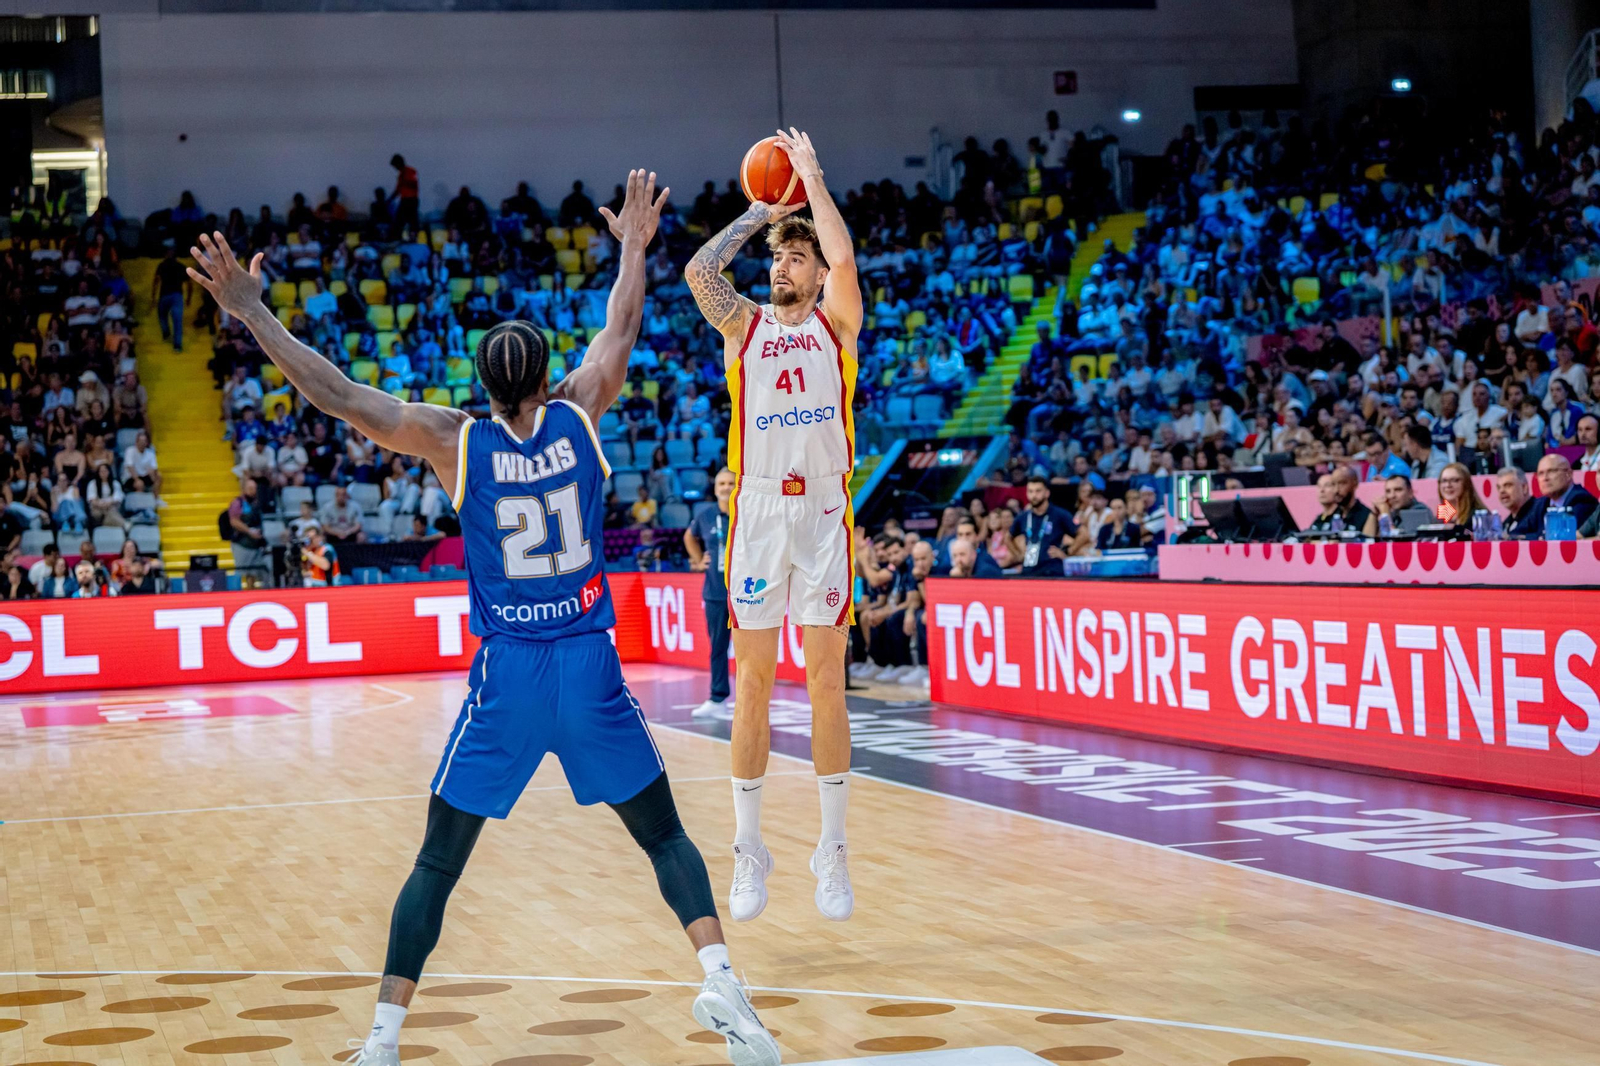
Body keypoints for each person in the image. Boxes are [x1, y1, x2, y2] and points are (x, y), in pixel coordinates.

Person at [185, 174, 778, 1066]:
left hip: (508, 679)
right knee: (662, 836)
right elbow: (619, 328)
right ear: (550, 374)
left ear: (485, 386)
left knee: (436, 865)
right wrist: (631, 246)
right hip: (589, 668)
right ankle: (724, 981)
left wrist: (251, 314)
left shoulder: (452, 439)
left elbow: (340, 395)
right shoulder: (582, 415)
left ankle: (383, 1041)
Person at [685, 128, 862, 925]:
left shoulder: (836, 325)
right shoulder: (744, 328)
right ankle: (749, 846)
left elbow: (847, 262)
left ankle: (832, 848)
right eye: (777, 259)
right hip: (756, 509)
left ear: (818, 273)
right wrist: (761, 214)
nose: (782, 265)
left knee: (826, 678)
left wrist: (814, 185)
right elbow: (698, 272)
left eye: (796, 256)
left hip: (825, 507)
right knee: (753, 679)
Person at [684, 468, 736, 720]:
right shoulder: (705, 516)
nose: (726, 487)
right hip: (715, 592)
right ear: (715, 488)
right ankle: (718, 698)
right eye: (722, 483)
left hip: (746, 593)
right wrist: (697, 560)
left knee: (752, 650)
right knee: (718, 647)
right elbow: (689, 537)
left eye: (730, 483)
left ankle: (755, 699)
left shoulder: (748, 513)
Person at [1011, 475, 1077, 574]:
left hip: (1052, 570)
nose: (1034, 495)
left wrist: (1067, 554)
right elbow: (1008, 536)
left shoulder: (1059, 514)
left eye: (1038, 491)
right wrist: (1018, 554)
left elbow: (1083, 533)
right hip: (1028, 571)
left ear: (1047, 493)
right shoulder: (1023, 517)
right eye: (1030, 491)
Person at [1532, 453, 1599, 535]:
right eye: (1541, 473)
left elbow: (1564, 535)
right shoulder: (1540, 503)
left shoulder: (1582, 499)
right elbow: (1520, 532)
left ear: (1569, 474)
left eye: (1552, 471)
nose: (1545, 478)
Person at [227, 477, 270, 587]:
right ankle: (237, 593)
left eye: (254, 488)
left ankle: (252, 591)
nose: (252, 490)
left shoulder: (257, 503)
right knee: (241, 571)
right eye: (250, 488)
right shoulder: (238, 503)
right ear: (244, 489)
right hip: (242, 544)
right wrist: (249, 531)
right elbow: (234, 521)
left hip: (255, 545)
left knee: (254, 572)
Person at [1362, 474, 1435, 536]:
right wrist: (1374, 513)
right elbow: (1365, 540)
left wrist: (1385, 513)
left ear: (1410, 493)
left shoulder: (1420, 512)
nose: (1392, 496)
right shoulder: (1393, 513)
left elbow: (1397, 543)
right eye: (1388, 491)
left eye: (1398, 490)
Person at [152, 244, 190, 351]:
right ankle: (177, 344)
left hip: (165, 296)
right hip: (176, 296)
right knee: (177, 320)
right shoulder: (181, 266)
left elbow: (156, 281)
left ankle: (167, 333)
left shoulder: (162, 265)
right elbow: (189, 284)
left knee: (162, 315)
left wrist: (153, 297)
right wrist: (188, 299)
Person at [1433, 462, 1485, 530]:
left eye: (1454, 480)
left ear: (1466, 483)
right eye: (1444, 481)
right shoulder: (1440, 518)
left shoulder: (1479, 515)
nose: (1448, 485)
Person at [1497, 467, 1543, 538]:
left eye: (1508, 485)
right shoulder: (1505, 524)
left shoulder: (1540, 508)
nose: (1502, 491)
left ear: (1524, 488)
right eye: (1499, 487)